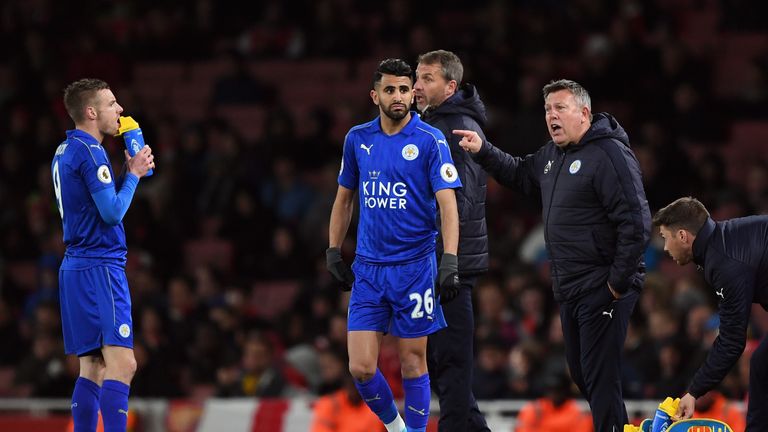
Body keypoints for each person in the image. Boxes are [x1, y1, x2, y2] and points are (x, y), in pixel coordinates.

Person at [455, 79, 651, 431]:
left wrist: (617, 284)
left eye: (560, 108)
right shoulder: (552, 156)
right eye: (547, 110)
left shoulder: (610, 154)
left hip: (602, 285)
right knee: (582, 373)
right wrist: (484, 150)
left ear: (584, 113)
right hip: (570, 287)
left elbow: (636, 223)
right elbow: (519, 173)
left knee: (599, 375)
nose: (552, 116)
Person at [326, 58, 461, 432]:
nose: (399, 96)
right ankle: (397, 428)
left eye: (404, 89)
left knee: (414, 363)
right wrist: (334, 249)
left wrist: (449, 260)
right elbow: (344, 199)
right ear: (375, 95)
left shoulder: (430, 140)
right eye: (390, 90)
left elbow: (448, 205)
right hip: (368, 269)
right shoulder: (357, 139)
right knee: (361, 368)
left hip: (415, 266)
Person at [52, 78, 154, 432]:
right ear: (92, 112)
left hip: (74, 267)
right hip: (100, 266)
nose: (120, 110)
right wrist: (134, 175)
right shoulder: (93, 152)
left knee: (92, 367)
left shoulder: (64, 149)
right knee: (123, 365)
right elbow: (111, 212)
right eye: (112, 103)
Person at [413, 49, 490, 432]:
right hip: (442, 259)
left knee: (451, 363)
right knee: (445, 365)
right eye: (417, 77)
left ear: (451, 86)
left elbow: (458, 199)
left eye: (427, 79)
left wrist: (446, 258)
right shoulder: (435, 123)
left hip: (448, 263)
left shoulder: (455, 127)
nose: (417, 86)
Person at [652, 196, 768, 429]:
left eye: (666, 238)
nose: (665, 248)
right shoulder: (722, 244)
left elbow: (732, 341)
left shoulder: (724, 261)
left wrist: (694, 391)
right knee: (762, 364)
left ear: (683, 236)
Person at [514, 372, 593, 432]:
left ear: (565, 390)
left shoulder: (579, 411)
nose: (554, 394)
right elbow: (522, 429)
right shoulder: (535, 409)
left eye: (558, 390)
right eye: (550, 390)